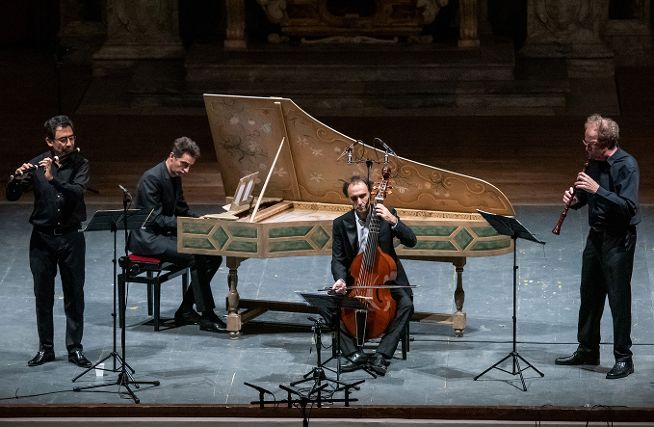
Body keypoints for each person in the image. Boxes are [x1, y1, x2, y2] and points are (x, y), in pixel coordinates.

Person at [555, 114, 640, 379]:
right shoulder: (593, 161)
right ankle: (588, 348)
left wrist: (596, 190)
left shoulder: (627, 165)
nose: (586, 147)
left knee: (618, 298)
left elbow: (629, 208)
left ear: (605, 143)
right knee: (589, 294)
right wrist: (575, 197)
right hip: (596, 236)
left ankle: (624, 358)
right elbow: (586, 197)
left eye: (590, 143)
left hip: (618, 239)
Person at [6, 115, 92, 368]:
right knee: (42, 294)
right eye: (62, 139)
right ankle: (46, 348)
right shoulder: (36, 164)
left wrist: (54, 178)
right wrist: (15, 179)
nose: (68, 143)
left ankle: (75, 348)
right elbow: (12, 196)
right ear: (49, 141)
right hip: (42, 239)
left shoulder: (80, 164)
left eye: (71, 138)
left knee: (74, 294)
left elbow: (77, 193)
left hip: (71, 237)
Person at [128, 136, 225, 333]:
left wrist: (199, 221)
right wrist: (186, 224)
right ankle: (206, 316)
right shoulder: (151, 179)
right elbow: (153, 219)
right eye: (184, 164)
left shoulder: (174, 177)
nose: (186, 170)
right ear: (172, 156)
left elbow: (181, 209)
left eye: (189, 166)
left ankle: (186, 309)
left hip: (163, 235)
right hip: (148, 239)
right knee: (195, 255)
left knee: (214, 256)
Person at [326, 175, 417, 376]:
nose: (360, 202)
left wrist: (393, 220)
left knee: (407, 305)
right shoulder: (341, 223)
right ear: (349, 199)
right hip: (356, 280)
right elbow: (338, 259)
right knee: (328, 304)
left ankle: (381, 355)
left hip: (386, 280)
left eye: (363, 196)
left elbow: (412, 240)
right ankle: (353, 354)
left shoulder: (386, 214)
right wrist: (340, 279)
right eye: (354, 198)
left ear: (371, 193)